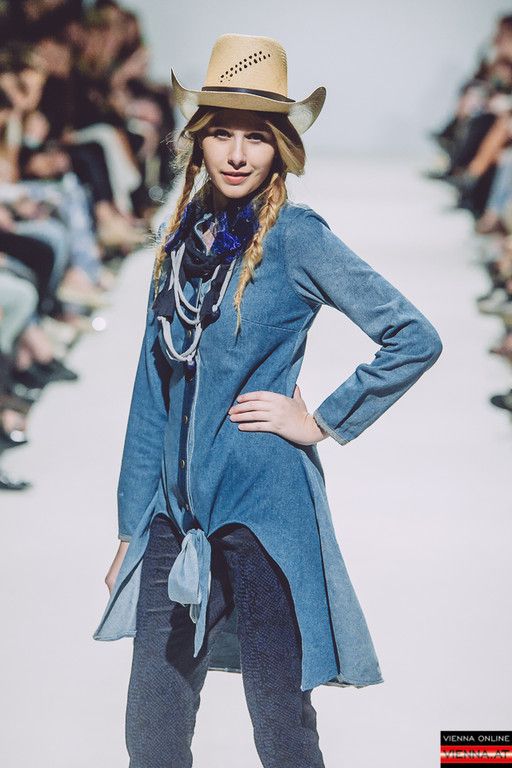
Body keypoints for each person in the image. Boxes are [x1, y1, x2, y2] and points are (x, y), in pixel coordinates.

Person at [93, 33, 443, 768]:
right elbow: (152, 387)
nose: (237, 153)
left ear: (280, 148)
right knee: (151, 734)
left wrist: (322, 420)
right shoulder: (181, 240)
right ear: (198, 141)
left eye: (256, 136)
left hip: (263, 510)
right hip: (174, 516)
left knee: (281, 730)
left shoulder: (296, 238)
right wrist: (130, 523)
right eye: (221, 132)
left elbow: (413, 335)